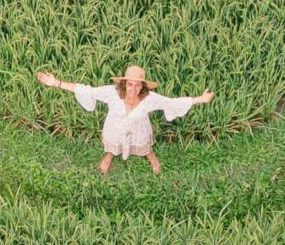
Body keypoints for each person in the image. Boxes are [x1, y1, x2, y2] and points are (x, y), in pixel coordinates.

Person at [35, 64, 215, 174]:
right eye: (130, 84)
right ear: (124, 84)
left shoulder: (149, 98)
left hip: (139, 130)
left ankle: (151, 157)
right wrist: (56, 83)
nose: (133, 89)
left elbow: (172, 103)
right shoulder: (111, 93)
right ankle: (109, 155)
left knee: (144, 146)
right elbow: (85, 90)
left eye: (138, 85)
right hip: (115, 129)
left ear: (142, 86)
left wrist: (200, 99)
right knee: (113, 144)